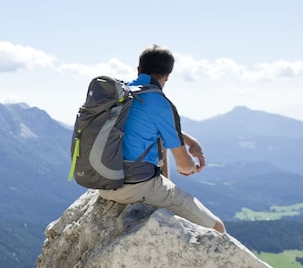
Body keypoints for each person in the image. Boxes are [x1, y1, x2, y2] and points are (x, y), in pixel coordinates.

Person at [97, 45, 226, 234]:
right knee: (216, 227)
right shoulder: (160, 103)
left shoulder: (121, 94)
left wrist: (190, 141)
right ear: (167, 75)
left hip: (102, 181)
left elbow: (144, 127)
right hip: (134, 187)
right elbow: (183, 166)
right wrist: (193, 166)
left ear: (138, 70)